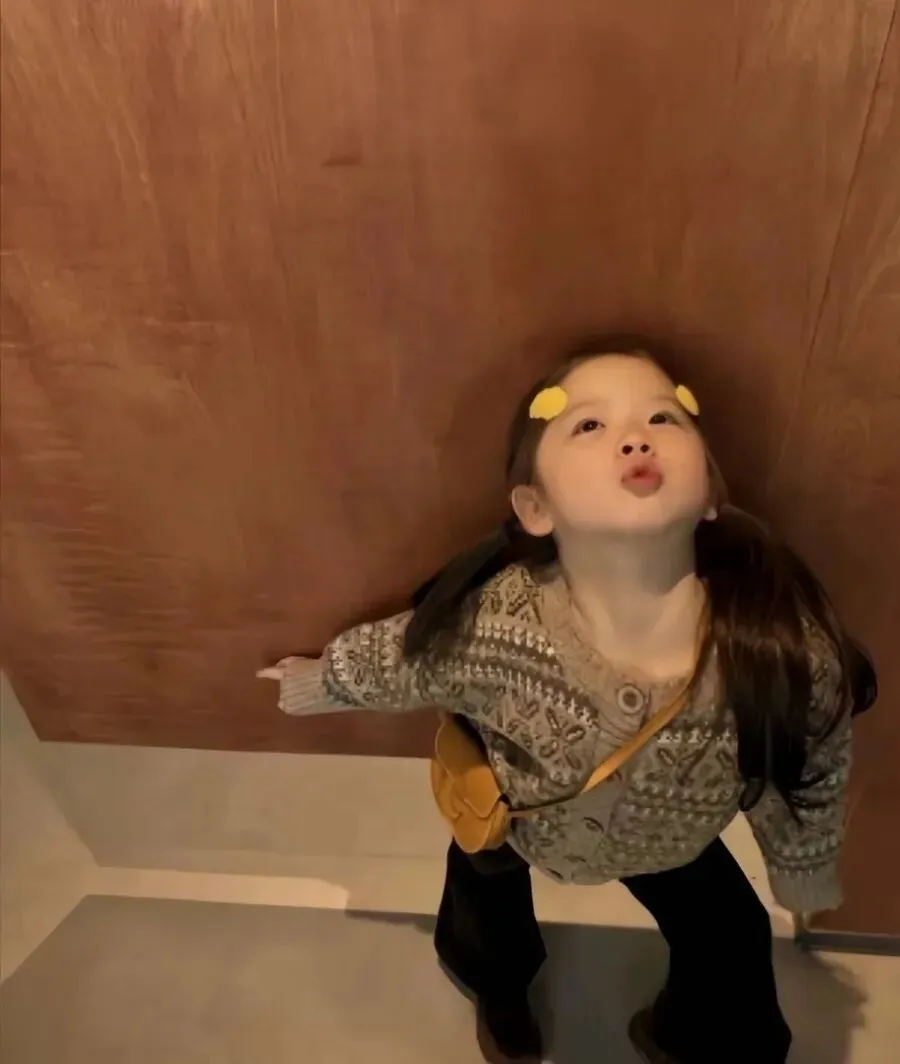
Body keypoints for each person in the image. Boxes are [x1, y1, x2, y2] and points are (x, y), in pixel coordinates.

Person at [258, 341, 859, 1064]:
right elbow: (409, 658)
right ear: (535, 507)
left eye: (663, 418)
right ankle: (500, 989)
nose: (634, 438)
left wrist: (802, 866)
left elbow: (810, 765)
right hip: (516, 820)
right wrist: (321, 680)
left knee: (731, 942)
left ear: (708, 492)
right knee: (483, 905)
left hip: (672, 844)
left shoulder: (777, 650)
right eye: (590, 426)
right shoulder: (502, 622)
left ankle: (697, 1041)